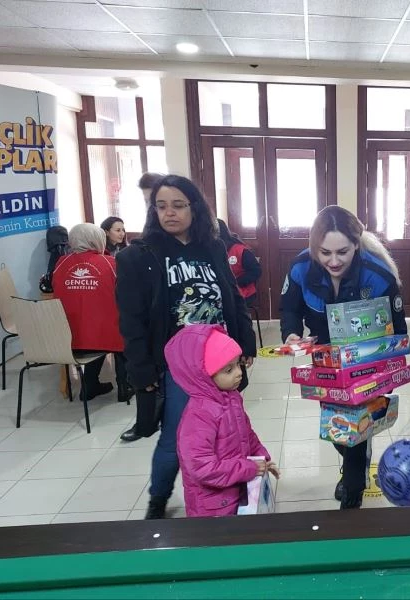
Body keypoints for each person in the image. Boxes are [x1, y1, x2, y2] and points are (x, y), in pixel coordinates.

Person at [116, 174, 257, 519]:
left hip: (220, 360)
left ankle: (225, 491)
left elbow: (232, 298)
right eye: (161, 206)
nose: (170, 213)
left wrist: (244, 343)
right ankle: (158, 500)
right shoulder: (140, 256)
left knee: (227, 429)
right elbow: (131, 320)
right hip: (178, 368)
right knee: (178, 438)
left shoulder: (212, 247)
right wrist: (140, 369)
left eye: (178, 205)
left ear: (195, 208)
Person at [280, 205, 407, 509]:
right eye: (325, 253)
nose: (333, 261)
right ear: (314, 247)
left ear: (356, 245)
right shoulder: (300, 268)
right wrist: (291, 333)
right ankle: (355, 461)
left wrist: (388, 374)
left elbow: (397, 329)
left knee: (355, 427)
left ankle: (352, 494)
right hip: (325, 359)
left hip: (367, 360)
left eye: (343, 252)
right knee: (337, 428)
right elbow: (289, 308)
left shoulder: (378, 275)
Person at [165, 324, 279, 517]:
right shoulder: (199, 416)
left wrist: (261, 458)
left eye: (238, 364)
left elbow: (246, 435)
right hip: (213, 507)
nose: (238, 373)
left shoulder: (232, 397)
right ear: (203, 376)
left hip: (236, 491)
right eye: (228, 370)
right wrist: (249, 468)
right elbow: (202, 468)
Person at [52, 223, 132, 403]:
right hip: (103, 337)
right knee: (123, 330)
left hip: (68, 337)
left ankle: (89, 385)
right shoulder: (111, 263)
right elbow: (128, 293)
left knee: (90, 328)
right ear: (97, 240)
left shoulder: (61, 263)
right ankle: (124, 387)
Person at [217, 219, 262, 307]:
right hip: (218, 291)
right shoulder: (208, 251)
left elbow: (256, 271)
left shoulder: (240, 250)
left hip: (241, 291)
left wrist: (235, 283)